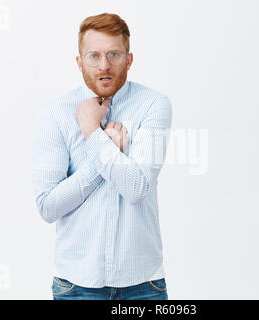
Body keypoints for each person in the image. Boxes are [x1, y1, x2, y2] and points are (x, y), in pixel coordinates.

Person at [32, 12, 172, 300]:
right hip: (76, 286)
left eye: (114, 55)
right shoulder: (56, 114)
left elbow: (137, 188)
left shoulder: (153, 106)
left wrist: (91, 134)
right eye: (94, 56)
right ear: (79, 61)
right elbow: (48, 206)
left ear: (129, 59)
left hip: (143, 286)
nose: (104, 65)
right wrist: (103, 144)